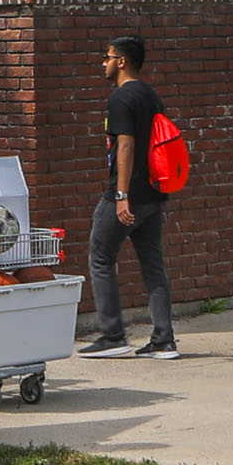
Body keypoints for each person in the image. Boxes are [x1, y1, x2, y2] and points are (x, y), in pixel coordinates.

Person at [81, 35, 181, 357]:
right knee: (153, 265)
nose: (104, 62)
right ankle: (164, 340)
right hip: (154, 193)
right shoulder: (151, 96)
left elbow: (126, 145)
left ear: (121, 61)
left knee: (100, 258)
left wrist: (121, 195)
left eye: (107, 57)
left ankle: (112, 336)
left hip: (126, 196)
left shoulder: (121, 99)